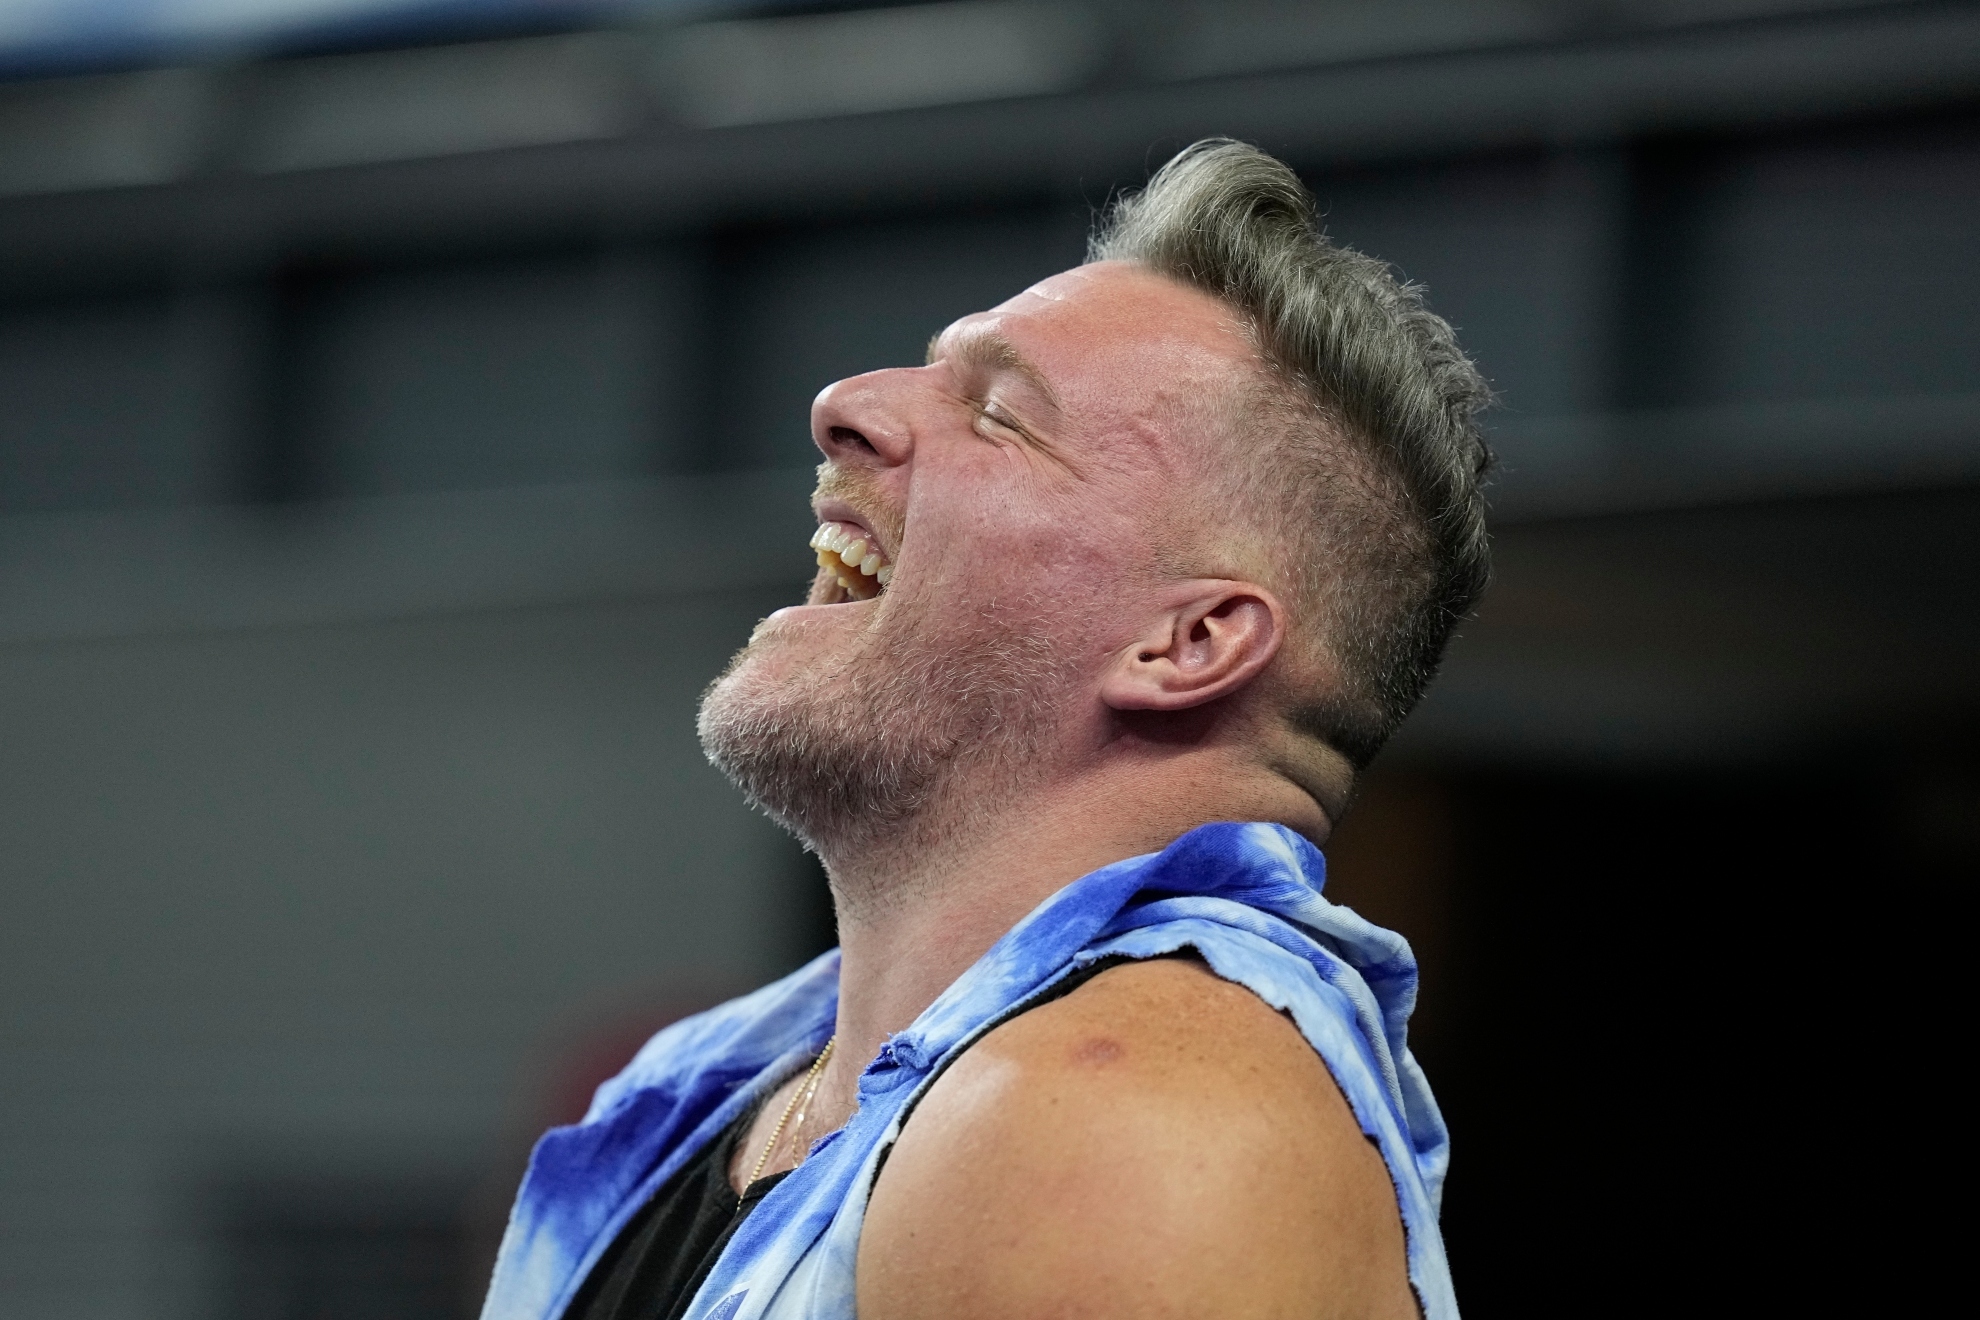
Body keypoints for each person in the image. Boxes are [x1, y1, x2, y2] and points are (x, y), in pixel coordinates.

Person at [480, 138, 1491, 1320]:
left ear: (1190, 644)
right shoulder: (710, 1094)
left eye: (1002, 416)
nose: (843, 407)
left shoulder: (1121, 1115)